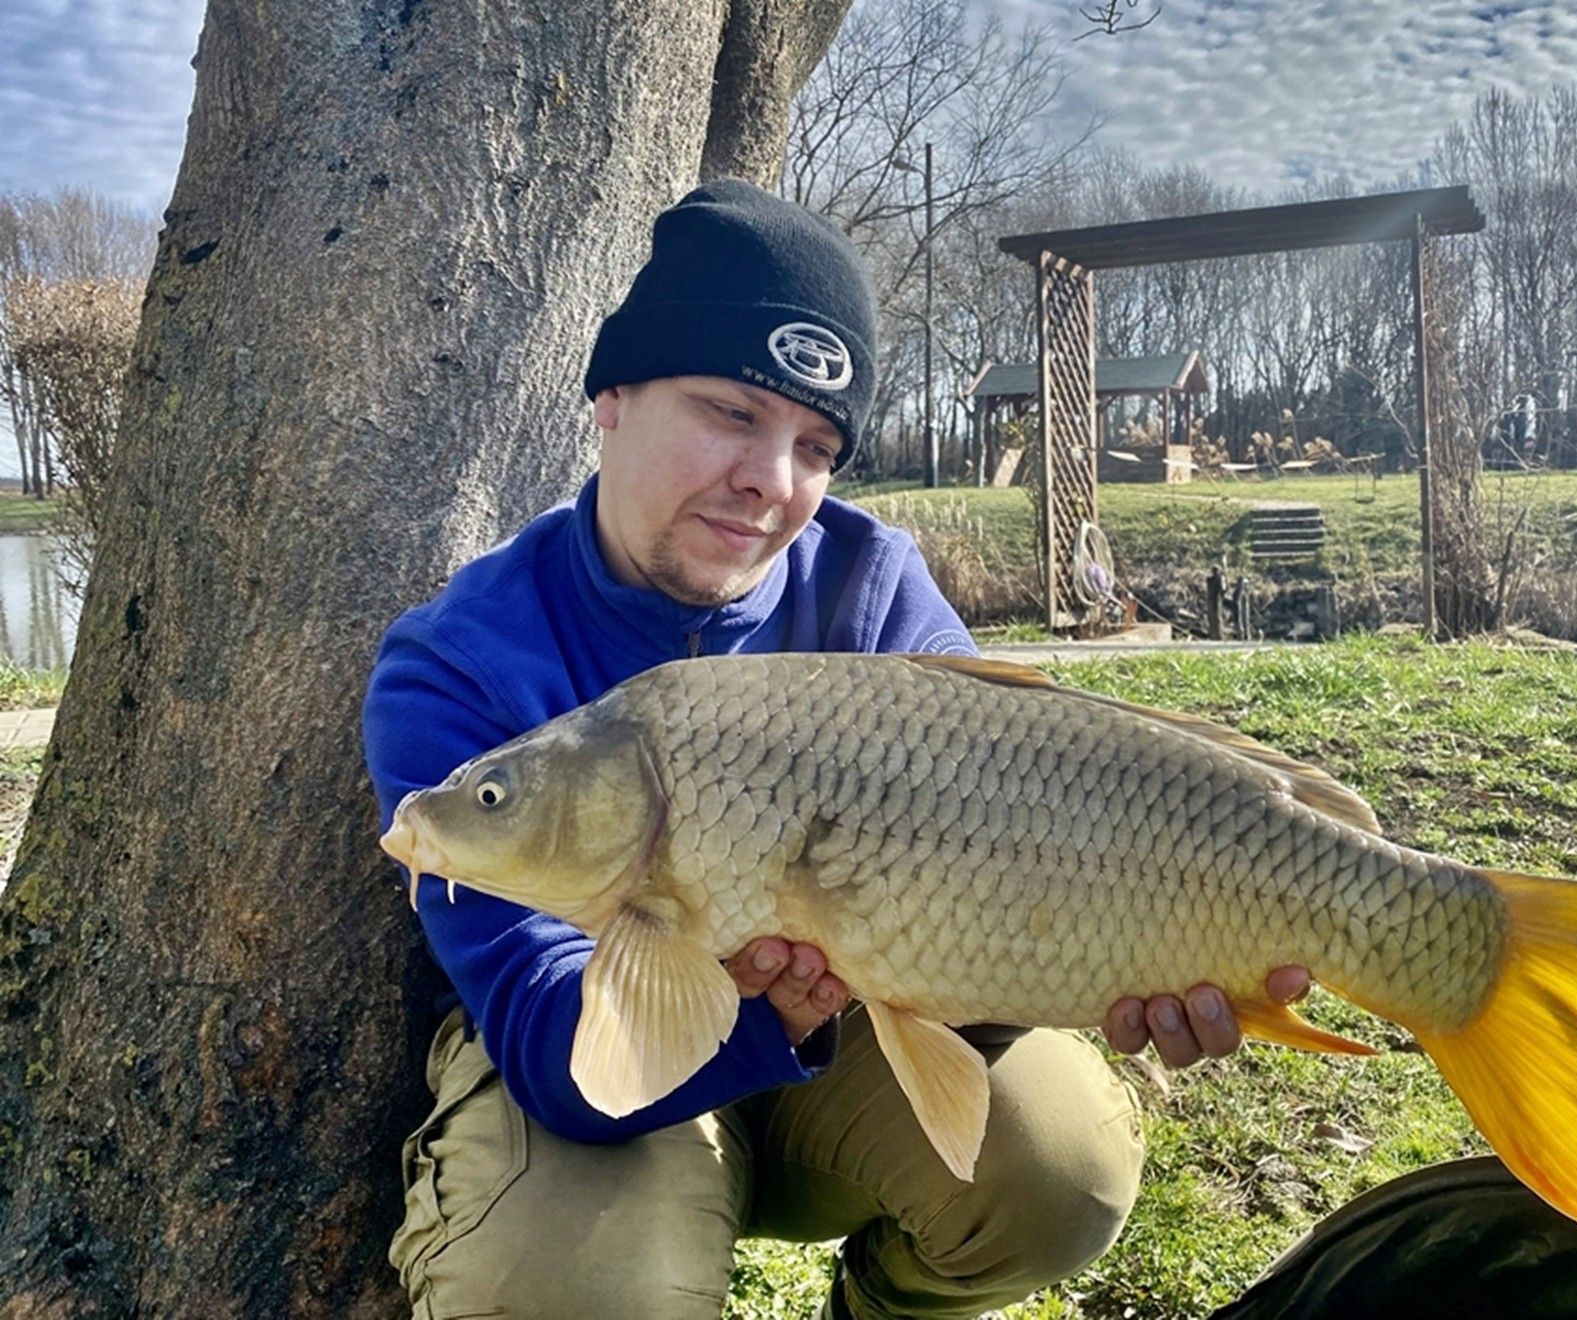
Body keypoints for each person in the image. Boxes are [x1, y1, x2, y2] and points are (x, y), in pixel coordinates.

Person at [363, 179, 1312, 1320]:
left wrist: (1125, 961)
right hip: (586, 1071)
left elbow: (1011, 888)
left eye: (815, 445)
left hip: (852, 1051)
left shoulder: (872, 588)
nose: (772, 481)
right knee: (567, 1288)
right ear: (611, 396)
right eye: (730, 412)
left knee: (1061, 1168)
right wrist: (772, 1008)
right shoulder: (460, 662)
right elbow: (542, 1033)